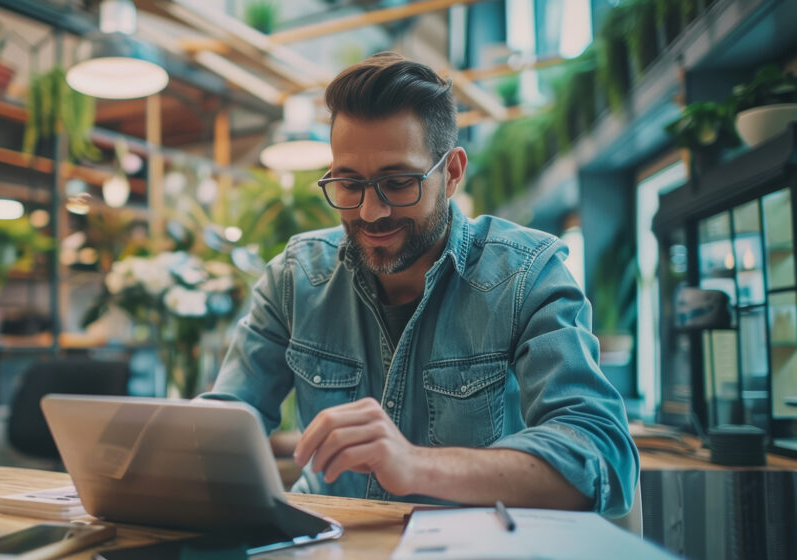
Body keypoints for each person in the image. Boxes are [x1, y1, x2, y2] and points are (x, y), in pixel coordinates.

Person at [203, 52, 638, 517]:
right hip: (333, 554)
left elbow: (603, 456)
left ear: (451, 173)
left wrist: (415, 465)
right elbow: (226, 423)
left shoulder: (527, 274)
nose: (371, 212)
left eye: (398, 182)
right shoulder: (295, 278)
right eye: (349, 184)